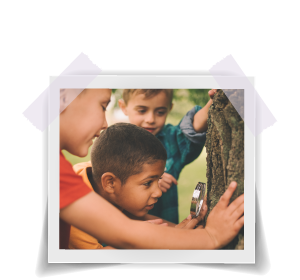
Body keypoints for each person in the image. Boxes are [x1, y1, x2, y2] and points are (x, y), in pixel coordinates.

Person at [60, 88, 244, 250]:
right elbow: (127, 238)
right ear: (62, 97)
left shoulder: (91, 172)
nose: (105, 124)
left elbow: (139, 222)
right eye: (103, 106)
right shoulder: (62, 177)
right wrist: (211, 237)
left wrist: (186, 229)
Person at [69, 123, 207, 249]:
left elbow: (135, 217)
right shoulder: (75, 217)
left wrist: (182, 232)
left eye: (158, 179)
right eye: (148, 183)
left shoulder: (104, 177)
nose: (158, 192)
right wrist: (144, 241)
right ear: (110, 183)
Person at [118, 89, 215, 223]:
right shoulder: (114, 145)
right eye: (142, 111)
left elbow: (192, 128)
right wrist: (149, 181)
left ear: (170, 108)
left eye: (160, 112)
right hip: (123, 235)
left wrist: (215, 99)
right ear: (124, 107)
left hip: (166, 236)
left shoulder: (170, 141)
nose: (150, 119)